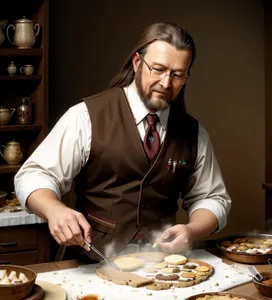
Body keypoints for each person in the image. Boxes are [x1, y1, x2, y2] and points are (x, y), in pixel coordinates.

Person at [14, 22, 231, 261]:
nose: (166, 83)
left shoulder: (193, 132)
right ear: (137, 63)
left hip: (161, 267)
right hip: (89, 262)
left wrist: (192, 230)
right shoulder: (86, 116)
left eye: (177, 74)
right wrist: (54, 209)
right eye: (158, 69)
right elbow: (33, 175)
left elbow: (212, 198)